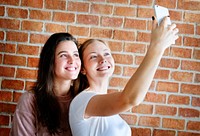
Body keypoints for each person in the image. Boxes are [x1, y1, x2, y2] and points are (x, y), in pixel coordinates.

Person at [69, 16, 179, 136]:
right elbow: (130, 99)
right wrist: (157, 46)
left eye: (106, 54)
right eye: (93, 56)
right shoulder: (82, 101)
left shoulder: (110, 107)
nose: (103, 60)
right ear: (83, 69)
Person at [10, 33, 81, 136]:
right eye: (63, 55)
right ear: (50, 62)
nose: (72, 60)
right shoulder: (30, 100)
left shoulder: (82, 98)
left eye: (75, 54)